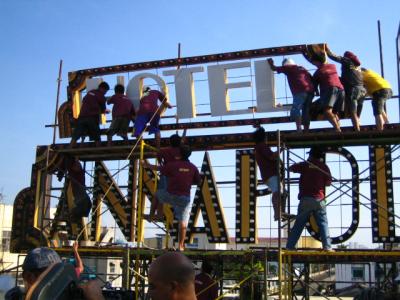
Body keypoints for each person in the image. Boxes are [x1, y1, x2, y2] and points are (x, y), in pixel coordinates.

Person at [141, 145, 201, 251]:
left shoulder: (173, 165)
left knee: (158, 195)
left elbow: (160, 169)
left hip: (171, 195)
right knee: (182, 222)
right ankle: (181, 245)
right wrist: (187, 180)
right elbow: (198, 181)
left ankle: (152, 215)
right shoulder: (193, 167)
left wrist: (146, 165)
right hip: (184, 198)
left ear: (179, 154)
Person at [286, 146, 333, 251]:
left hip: (306, 199)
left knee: (299, 224)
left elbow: (291, 168)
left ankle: (290, 247)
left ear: (311, 155)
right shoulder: (323, 167)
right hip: (319, 199)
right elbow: (329, 182)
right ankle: (327, 247)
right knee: (323, 223)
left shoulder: (306, 165)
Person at [253, 127, 293, 222]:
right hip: (270, 174)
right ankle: (278, 214)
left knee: (284, 193)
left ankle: (281, 213)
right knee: (278, 192)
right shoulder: (262, 146)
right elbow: (272, 156)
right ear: (264, 137)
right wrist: (281, 150)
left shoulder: (258, 148)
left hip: (268, 174)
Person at [268, 58, 314, 132]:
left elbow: (274, 68)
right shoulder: (301, 68)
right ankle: (306, 130)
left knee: (295, 110)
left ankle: (299, 130)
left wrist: (271, 63)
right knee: (305, 110)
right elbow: (311, 77)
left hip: (300, 91)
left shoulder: (289, 67)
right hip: (310, 92)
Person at [326, 48, 366, 131]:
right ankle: (358, 126)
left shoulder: (347, 60)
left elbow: (334, 57)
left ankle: (357, 131)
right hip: (362, 90)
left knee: (353, 112)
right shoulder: (357, 67)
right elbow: (349, 78)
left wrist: (326, 49)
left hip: (354, 89)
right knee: (357, 113)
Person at [147, 133, 183, 222]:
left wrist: (161, 163)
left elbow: (159, 156)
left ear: (170, 142)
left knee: (159, 196)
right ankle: (157, 215)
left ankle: (155, 215)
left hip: (166, 174)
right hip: (178, 177)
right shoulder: (182, 151)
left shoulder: (165, 150)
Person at [70, 81, 110, 147]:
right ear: (102, 89)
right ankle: (98, 149)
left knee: (76, 135)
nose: (105, 93)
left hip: (82, 117)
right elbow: (103, 110)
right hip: (92, 118)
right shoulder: (101, 96)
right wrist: (107, 111)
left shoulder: (90, 93)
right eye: (105, 91)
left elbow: (84, 100)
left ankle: (70, 147)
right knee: (96, 135)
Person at [311, 55, 344, 132]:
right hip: (341, 89)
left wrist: (315, 93)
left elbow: (314, 87)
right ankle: (338, 129)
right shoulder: (333, 66)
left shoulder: (318, 72)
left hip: (330, 89)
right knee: (334, 113)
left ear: (316, 62)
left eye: (313, 62)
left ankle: (337, 130)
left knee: (327, 111)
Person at [57, 156, 92, 221]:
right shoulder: (77, 173)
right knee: (84, 206)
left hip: (81, 198)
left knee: (83, 206)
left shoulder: (75, 172)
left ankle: (68, 216)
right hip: (82, 198)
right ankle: (69, 216)